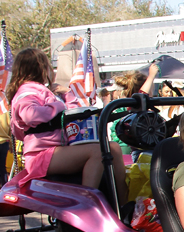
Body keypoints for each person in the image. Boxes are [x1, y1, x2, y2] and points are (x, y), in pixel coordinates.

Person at [7, 48, 128, 206]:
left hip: (55, 151)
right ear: (41, 68)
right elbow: (30, 115)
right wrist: (56, 105)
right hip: (41, 156)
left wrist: (67, 94)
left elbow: (71, 112)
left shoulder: (43, 91)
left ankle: (124, 204)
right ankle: (85, 204)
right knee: (99, 151)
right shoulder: (27, 91)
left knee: (114, 147)